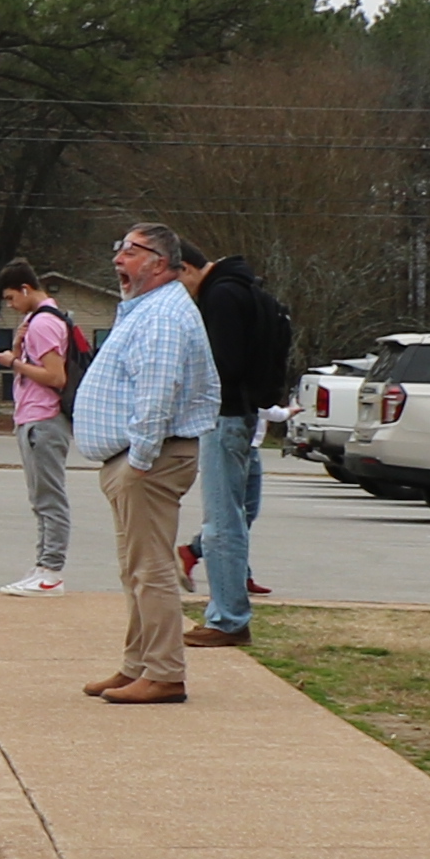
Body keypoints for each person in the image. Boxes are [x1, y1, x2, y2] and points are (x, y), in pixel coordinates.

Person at [66, 224, 217, 703]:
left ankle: (166, 673)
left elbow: (158, 392)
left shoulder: (165, 316)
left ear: (159, 262)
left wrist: (142, 457)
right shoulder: (146, 309)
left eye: (130, 252)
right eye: (120, 250)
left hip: (152, 458)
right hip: (135, 458)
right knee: (135, 568)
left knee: (151, 569)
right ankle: (138, 666)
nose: (119, 260)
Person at [183, 237, 294, 648]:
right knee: (229, 517)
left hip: (226, 416)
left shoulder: (222, 296)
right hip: (243, 415)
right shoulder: (245, 289)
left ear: (186, 269)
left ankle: (227, 618)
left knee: (221, 523)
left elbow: (223, 364)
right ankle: (227, 612)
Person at [0, 264, 80, 594]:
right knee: (39, 497)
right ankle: (42, 564)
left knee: (49, 497)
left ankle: (52, 570)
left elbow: (56, 377)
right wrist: (16, 350)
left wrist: (14, 363)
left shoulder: (43, 323)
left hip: (44, 419)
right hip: (33, 419)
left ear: (26, 289)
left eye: (11, 298)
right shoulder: (39, 321)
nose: (10, 305)